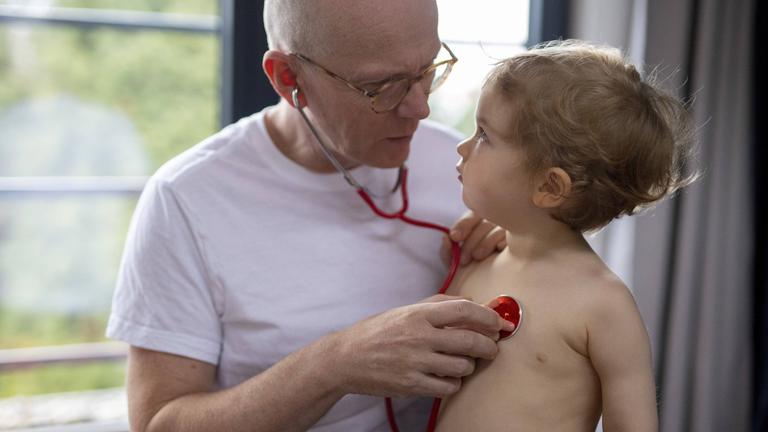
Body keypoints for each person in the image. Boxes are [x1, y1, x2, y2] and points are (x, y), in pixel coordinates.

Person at [106, 1, 516, 431]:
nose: (419, 108)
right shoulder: (185, 198)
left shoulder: (471, 168)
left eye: (427, 69)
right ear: (289, 78)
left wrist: (524, 249)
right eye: (381, 85)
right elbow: (159, 424)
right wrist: (333, 365)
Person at [435, 40, 696, 431]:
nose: (463, 145)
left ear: (550, 187)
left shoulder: (603, 303)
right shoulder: (476, 262)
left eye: (485, 135)